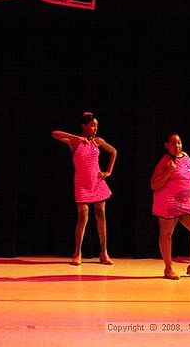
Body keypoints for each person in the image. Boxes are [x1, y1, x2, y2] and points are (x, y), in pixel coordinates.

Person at [52, 112, 117, 266]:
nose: (95, 128)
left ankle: (104, 253)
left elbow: (113, 151)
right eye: (93, 125)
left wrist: (109, 171)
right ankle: (77, 252)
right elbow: (54, 134)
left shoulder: (98, 141)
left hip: (97, 182)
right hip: (82, 183)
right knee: (82, 216)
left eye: (96, 126)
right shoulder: (74, 142)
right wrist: (77, 137)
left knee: (101, 215)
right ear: (84, 126)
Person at [150, 133, 190, 280]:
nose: (177, 146)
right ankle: (168, 268)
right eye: (173, 143)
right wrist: (169, 172)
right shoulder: (166, 160)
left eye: (179, 143)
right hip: (168, 201)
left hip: (185, 201)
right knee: (167, 233)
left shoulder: (186, 156)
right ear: (166, 145)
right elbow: (154, 184)